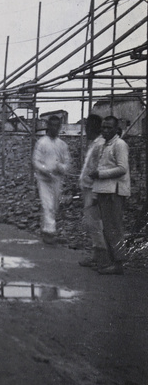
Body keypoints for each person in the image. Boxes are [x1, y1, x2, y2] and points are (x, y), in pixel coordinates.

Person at [89, 116, 130, 275]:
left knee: (114, 228)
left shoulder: (120, 145)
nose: (105, 130)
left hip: (114, 192)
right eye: (103, 128)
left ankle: (118, 263)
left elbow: (122, 168)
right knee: (107, 228)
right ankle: (111, 262)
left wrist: (100, 174)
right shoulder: (104, 144)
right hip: (104, 191)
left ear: (116, 129)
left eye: (109, 128)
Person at [32, 115, 70, 244]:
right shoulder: (42, 142)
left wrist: (61, 168)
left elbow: (66, 162)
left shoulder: (62, 145)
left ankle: (46, 228)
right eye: (52, 125)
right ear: (48, 126)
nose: (54, 128)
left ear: (59, 127)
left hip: (57, 179)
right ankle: (50, 233)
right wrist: (45, 170)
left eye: (57, 125)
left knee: (54, 205)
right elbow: (36, 161)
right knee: (47, 204)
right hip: (44, 179)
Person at [78, 115, 108, 268]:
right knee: (92, 223)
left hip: (93, 189)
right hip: (88, 188)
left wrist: (96, 193)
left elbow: (100, 170)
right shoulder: (94, 144)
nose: (86, 130)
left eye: (88, 127)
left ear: (95, 128)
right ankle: (96, 256)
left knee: (95, 223)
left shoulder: (100, 145)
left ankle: (102, 259)